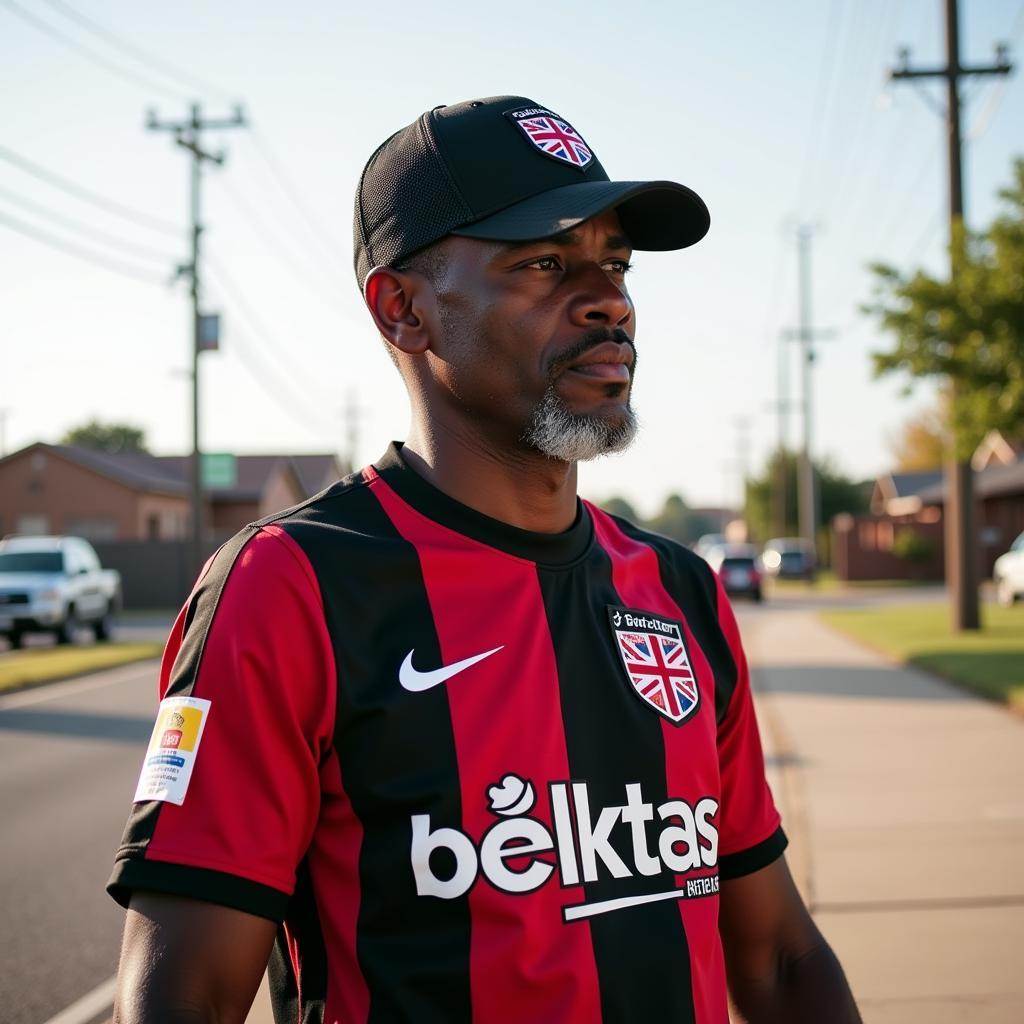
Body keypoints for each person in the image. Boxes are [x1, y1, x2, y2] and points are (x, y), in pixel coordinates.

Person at [108, 95, 861, 1024]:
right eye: (545, 262)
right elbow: (188, 995)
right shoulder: (290, 585)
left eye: (615, 263)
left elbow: (780, 957)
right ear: (405, 309)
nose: (610, 299)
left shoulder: (678, 590)